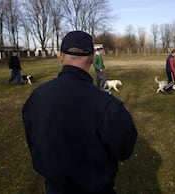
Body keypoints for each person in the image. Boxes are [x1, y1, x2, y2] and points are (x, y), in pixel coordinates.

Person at [22, 31, 138, 194]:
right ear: (92, 57)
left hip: (54, 187)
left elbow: (33, 140)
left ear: (60, 56)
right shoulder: (107, 104)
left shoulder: (36, 97)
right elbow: (124, 149)